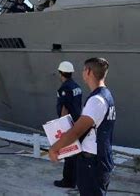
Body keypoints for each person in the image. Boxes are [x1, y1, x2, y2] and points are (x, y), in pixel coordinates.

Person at [49, 58, 115, 196]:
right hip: (101, 157)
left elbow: (76, 132)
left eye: (84, 69)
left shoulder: (96, 100)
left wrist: (55, 148)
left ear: (89, 71)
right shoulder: (106, 95)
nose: (82, 73)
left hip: (92, 162)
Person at [53, 61, 82, 189]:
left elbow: (64, 107)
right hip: (77, 122)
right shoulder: (77, 87)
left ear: (61, 73)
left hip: (68, 124)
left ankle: (68, 181)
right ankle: (75, 180)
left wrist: (62, 126)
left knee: (68, 153)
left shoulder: (64, 88)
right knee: (75, 154)